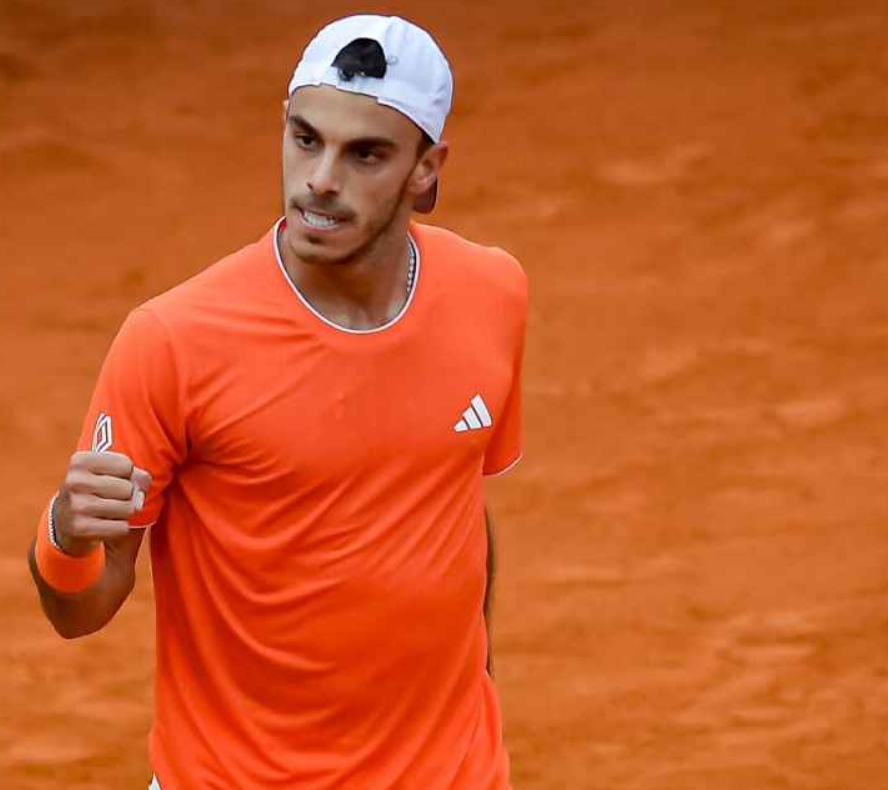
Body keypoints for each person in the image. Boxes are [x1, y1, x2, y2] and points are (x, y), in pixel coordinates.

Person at [28, 14, 527, 790]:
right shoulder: (174, 340)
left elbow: (455, 498)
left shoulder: (491, 292)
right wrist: (65, 532)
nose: (321, 179)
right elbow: (79, 610)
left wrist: (470, 690)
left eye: (365, 154)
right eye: (305, 138)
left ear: (426, 170)